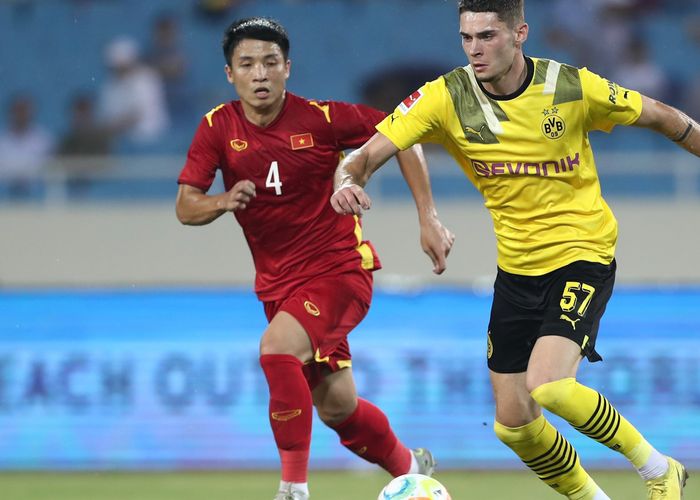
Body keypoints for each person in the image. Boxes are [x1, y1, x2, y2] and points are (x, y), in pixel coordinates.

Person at [331, 1, 699, 499]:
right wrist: (345, 181)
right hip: (519, 268)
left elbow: (660, 116)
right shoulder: (445, 97)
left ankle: (660, 470)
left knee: (550, 386)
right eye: (467, 37)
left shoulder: (569, 87)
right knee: (514, 425)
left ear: (520, 32)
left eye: (488, 36)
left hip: (583, 251)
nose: (475, 49)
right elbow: (367, 155)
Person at [175, 17, 454, 500]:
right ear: (230, 74)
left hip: (339, 271)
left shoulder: (323, 119)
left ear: (288, 68)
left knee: (276, 349)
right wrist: (220, 202)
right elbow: (185, 205)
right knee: (337, 408)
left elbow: (402, 132)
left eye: (270, 63)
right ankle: (412, 467)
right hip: (279, 288)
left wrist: (427, 217)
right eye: (247, 64)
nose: (259, 74)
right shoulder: (217, 128)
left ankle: (293, 488)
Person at [0, 94, 54, 199]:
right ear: (10, 113)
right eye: (18, 110)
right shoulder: (2, 141)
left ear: (31, 113)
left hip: (36, 197)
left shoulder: (44, 141)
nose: (21, 115)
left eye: (24, 110)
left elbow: (50, 171)